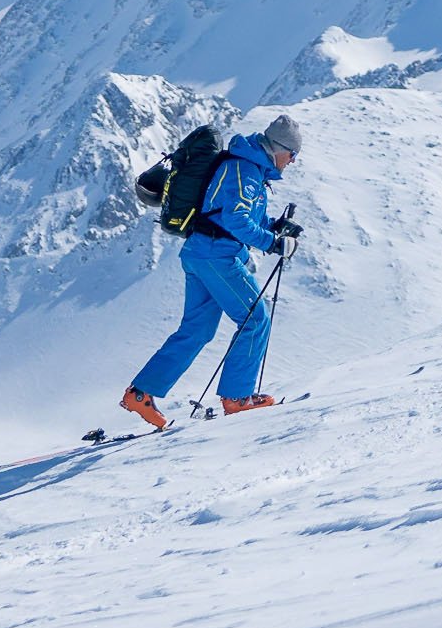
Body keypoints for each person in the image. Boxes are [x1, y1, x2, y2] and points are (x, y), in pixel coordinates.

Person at [121, 114, 305, 430]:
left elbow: (231, 214)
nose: (292, 161)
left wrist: (275, 226)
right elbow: (235, 220)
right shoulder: (246, 170)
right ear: (280, 149)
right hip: (217, 256)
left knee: (197, 329)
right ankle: (237, 398)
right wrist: (273, 243)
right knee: (255, 319)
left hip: (201, 252)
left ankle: (141, 393)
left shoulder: (247, 167)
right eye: (293, 154)